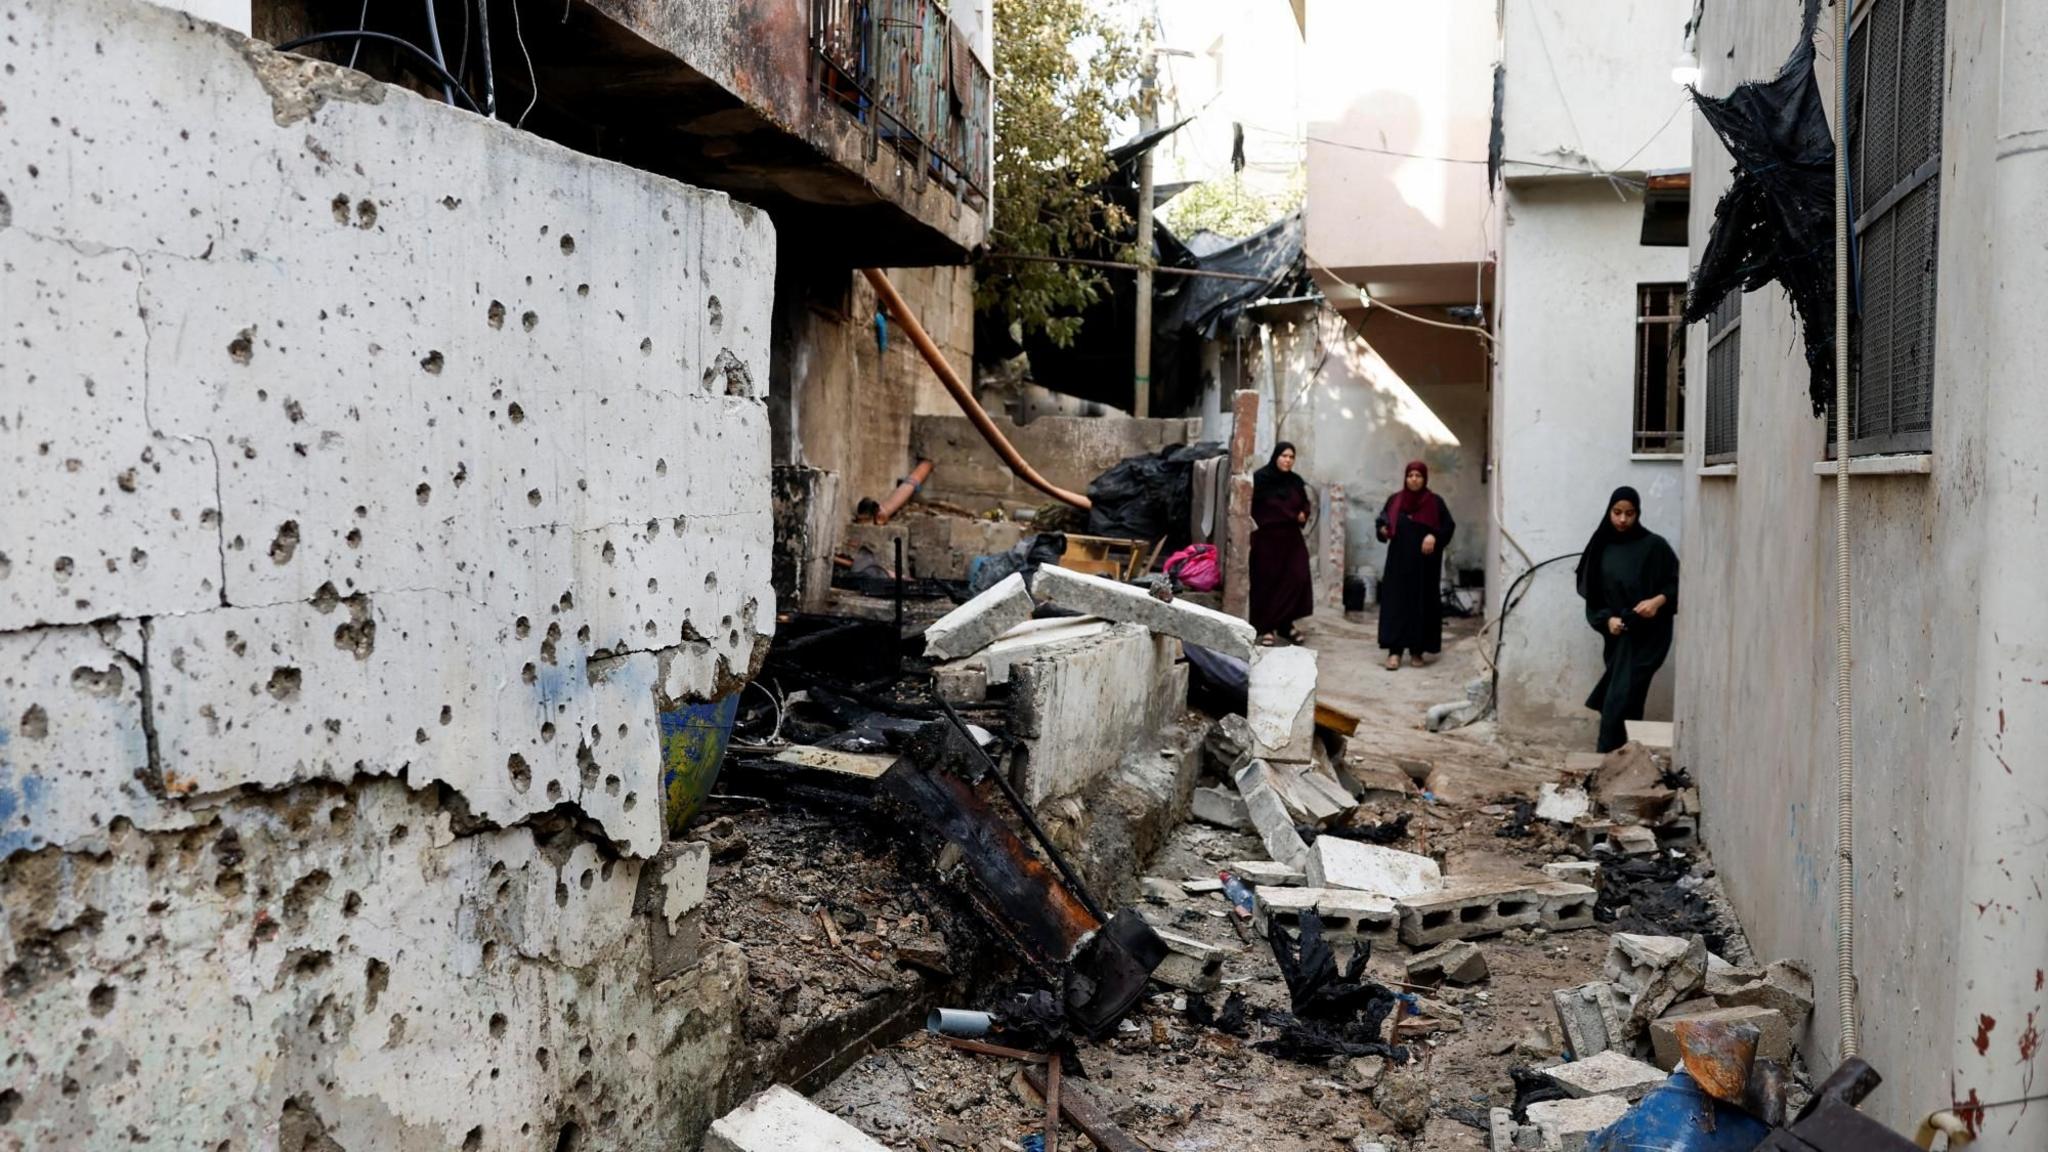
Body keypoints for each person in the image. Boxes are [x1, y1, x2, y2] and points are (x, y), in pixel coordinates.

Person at [1577, 486, 1679, 752]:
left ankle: (1607, 758)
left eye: (1629, 513)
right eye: (1617, 512)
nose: (1623, 520)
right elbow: (1594, 599)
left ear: (1638, 513)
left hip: (1649, 636)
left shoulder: (1654, 546)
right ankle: (1626, 759)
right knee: (1626, 700)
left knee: (1618, 699)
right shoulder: (1601, 546)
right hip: (1618, 638)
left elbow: (1677, 583)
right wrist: (1607, 620)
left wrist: (1657, 602)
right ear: (1609, 512)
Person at [1375, 461, 1455, 670]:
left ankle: (1417, 651)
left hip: (1424, 566)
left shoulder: (1435, 502)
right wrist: (1383, 530)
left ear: (1425, 478)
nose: (1414, 479)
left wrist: (1434, 536)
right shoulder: (1395, 500)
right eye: (1410, 475)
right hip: (1399, 563)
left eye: (1418, 475)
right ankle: (1395, 652)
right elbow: (1382, 522)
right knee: (1396, 603)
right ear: (1405, 477)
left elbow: (1448, 526)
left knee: (1422, 604)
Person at [1249, 442, 1314, 646]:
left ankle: (1286, 623)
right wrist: (1290, 514)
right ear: (1276, 456)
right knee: (1268, 581)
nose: (1287, 460)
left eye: (1291, 457)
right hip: (1267, 539)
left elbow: (1305, 502)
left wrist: (1304, 512)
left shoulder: (1295, 481)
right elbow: (1259, 507)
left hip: (1292, 538)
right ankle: (1266, 627)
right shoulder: (1261, 479)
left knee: (1298, 576)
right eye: (1284, 456)